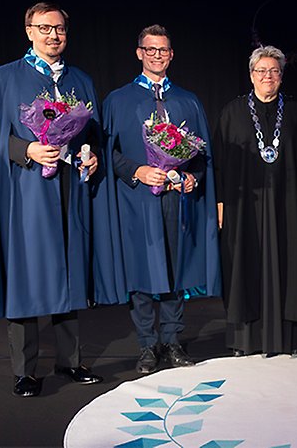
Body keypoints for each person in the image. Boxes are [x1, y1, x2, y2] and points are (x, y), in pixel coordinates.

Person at [0, 1, 104, 397]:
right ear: (29, 30)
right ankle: (25, 370)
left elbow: (90, 132)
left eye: (61, 29)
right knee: (27, 277)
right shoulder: (5, 78)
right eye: (46, 28)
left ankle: (70, 361)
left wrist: (91, 153)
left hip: (70, 189)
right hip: (27, 193)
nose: (54, 35)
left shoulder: (80, 80)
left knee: (69, 272)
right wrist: (26, 150)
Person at [96, 24, 220, 375]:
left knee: (175, 270)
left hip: (175, 200)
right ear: (139, 53)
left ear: (171, 55)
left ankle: (173, 341)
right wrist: (137, 172)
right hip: (137, 200)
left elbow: (200, 152)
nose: (157, 56)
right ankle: (147, 344)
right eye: (150, 50)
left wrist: (194, 175)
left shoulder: (187, 100)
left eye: (163, 50)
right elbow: (110, 153)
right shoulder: (119, 100)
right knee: (141, 273)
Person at [213, 46, 297, 355]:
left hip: (288, 201)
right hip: (244, 206)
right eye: (261, 71)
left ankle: (289, 336)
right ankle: (246, 339)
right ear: (251, 75)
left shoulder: (295, 112)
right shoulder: (232, 111)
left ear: (281, 76)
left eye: (274, 71)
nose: (267, 76)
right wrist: (220, 202)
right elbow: (219, 161)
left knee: (289, 260)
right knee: (245, 261)